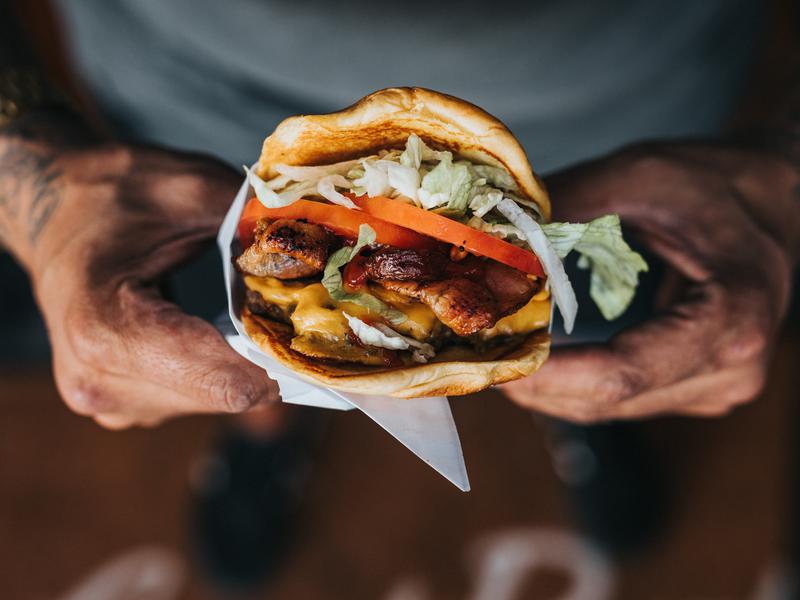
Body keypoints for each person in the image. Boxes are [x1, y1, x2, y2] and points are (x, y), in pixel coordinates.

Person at [1, 0, 798, 586]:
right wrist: (34, 182)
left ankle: (599, 416)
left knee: (599, 321)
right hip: (188, 91)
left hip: (640, 98)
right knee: (235, 334)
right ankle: (263, 432)